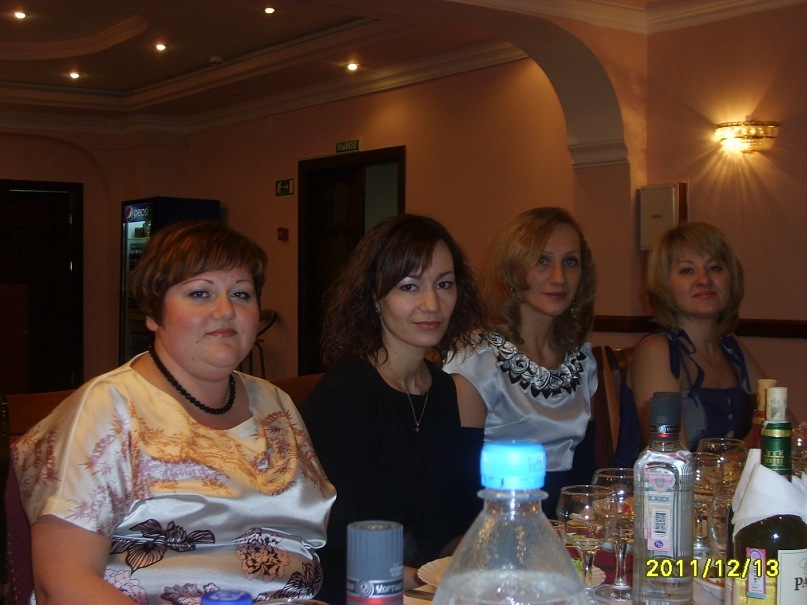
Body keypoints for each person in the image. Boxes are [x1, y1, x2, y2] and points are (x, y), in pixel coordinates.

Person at [13, 221, 336, 605]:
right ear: (153, 313)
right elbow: (63, 584)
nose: (225, 310)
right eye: (200, 293)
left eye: (241, 294)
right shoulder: (108, 409)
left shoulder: (274, 403)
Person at [301, 214, 487, 603]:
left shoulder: (444, 390)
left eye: (444, 284)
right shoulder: (348, 391)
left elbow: (454, 521)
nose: (432, 304)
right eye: (409, 286)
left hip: (426, 588)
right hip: (356, 590)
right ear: (374, 296)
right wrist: (430, 580)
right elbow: (330, 540)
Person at [443, 207, 598, 518]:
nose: (559, 277)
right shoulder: (477, 360)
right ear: (513, 270)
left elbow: (585, 479)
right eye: (542, 260)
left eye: (570, 261)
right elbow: (457, 490)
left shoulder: (582, 360)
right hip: (496, 526)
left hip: (572, 532)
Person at [612, 222, 764, 466]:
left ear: (732, 278)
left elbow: (780, 426)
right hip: (650, 489)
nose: (704, 280)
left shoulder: (730, 346)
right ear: (664, 285)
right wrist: (743, 453)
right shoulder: (657, 350)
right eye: (687, 270)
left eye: (715, 268)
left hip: (722, 488)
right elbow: (673, 464)